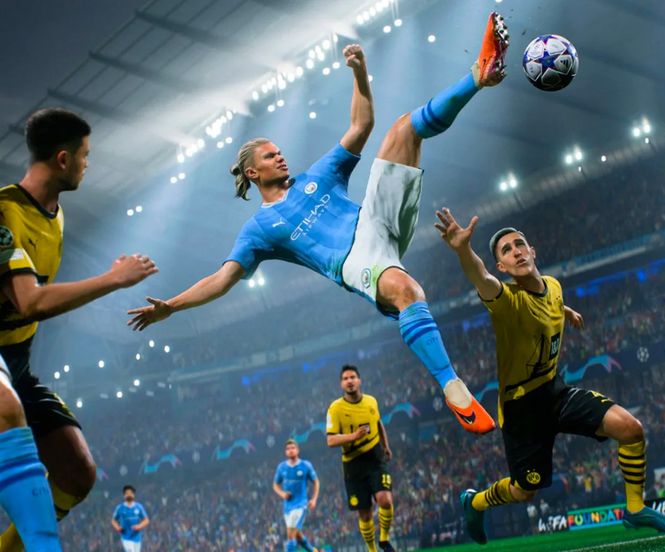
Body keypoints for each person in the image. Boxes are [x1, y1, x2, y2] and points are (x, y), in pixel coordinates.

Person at [127, 12, 512, 435]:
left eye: (278, 151)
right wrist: (172, 306)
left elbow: (362, 125)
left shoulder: (319, 175)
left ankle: (479, 73)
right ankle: (452, 385)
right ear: (253, 173)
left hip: (375, 220)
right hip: (353, 261)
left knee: (403, 129)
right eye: (270, 155)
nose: (280, 156)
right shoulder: (260, 228)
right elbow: (222, 280)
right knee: (407, 291)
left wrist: (360, 74)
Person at [432, 211, 665, 543]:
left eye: (520, 244)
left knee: (631, 429)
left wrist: (566, 310)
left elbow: (549, 301)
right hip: (521, 411)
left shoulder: (553, 286)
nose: (516, 251)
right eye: (506, 251)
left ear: (533, 251)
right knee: (525, 491)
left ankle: (636, 509)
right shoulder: (505, 301)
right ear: (502, 268)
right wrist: (464, 251)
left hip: (555, 391)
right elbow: (481, 278)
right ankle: (475, 501)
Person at [0, 108, 158, 551]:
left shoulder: (56, 215)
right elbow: (29, 302)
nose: (90, 165)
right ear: (64, 159)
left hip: (16, 363)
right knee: (8, 412)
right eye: (86, 156)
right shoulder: (4, 212)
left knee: (77, 471)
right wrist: (114, 279)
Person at [326, 365, 394, 552]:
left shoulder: (371, 402)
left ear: (359, 380)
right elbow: (330, 440)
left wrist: (385, 445)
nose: (349, 381)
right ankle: (371, 549)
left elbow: (378, 423)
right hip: (353, 464)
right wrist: (353, 437)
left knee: (385, 499)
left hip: (374, 457)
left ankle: (384, 540)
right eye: (346, 378)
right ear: (341, 384)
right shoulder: (335, 408)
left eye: (353, 377)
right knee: (365, 513)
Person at [273, 439, 320, 552]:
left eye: (293, 448)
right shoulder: (282, 467)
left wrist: (314, 499)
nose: (290, 450)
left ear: (298, 450)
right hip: (287, 507)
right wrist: (282, 493)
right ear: (285, 452)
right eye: (288, 449)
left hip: (300, 505)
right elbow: (275, 484)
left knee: (290, 535)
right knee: (297, 535)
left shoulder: (306, 465)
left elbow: (316, 481)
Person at [112, 485, 150, 552]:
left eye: (130, 493)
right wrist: (117, 527)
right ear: (124, 496)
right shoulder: (120, 508)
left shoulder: (139, 507)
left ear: (133, 495)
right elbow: (113, 520)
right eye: (127, 493)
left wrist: (139, 526)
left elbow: (146, 520)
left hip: (137, 537)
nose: (129, 495)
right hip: (126, 537)